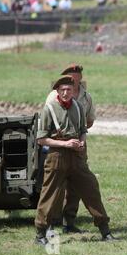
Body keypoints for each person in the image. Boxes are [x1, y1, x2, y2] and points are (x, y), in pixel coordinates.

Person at [34, 75, 116, 245]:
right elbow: (41, 140)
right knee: (49, 195)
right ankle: (40, 234)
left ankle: (105, 231)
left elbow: (83, 130)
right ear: (57, 91)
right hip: (56, 157)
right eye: (62, 90)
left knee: (91, 189)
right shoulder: (49, 109)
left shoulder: (78, 107)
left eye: (69, 90)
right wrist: (65, 144)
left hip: (77, 157)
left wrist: (81, 143)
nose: (65, 93)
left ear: (73, 91)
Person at [45, 64, 96, 233]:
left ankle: (69, 221)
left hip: (78, 146)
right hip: (58, 145)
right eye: (71, 77)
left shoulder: (86, 97)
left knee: (76, 186)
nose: (74, 81)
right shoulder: (54, 96)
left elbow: (89, 121)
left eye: (77, 78)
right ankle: (51, 223)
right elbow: (48, 121)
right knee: (56, 186)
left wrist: (78, 136)